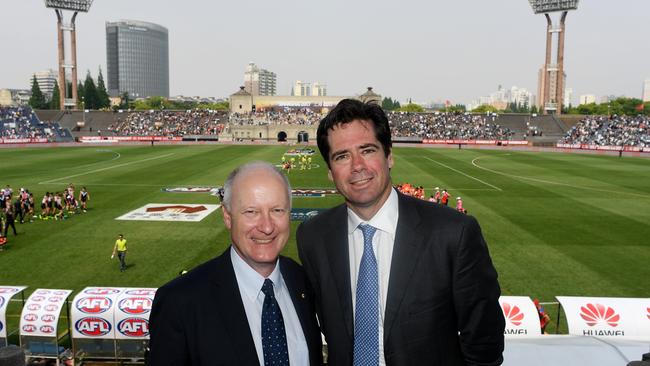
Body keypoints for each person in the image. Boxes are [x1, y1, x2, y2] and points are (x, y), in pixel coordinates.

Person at [297, 99, 504, 365]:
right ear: (330, 171)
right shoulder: (313, 237)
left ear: (389, 155)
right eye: (342, 156)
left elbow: (484, 344)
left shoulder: (454, 234)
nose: (357, 165)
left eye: (368, 150)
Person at [149, 162, 322, 366]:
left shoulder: (302, 280)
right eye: (251, 212)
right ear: (227, 217)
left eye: (277, 210)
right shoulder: (179, 303)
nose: (267, 227)